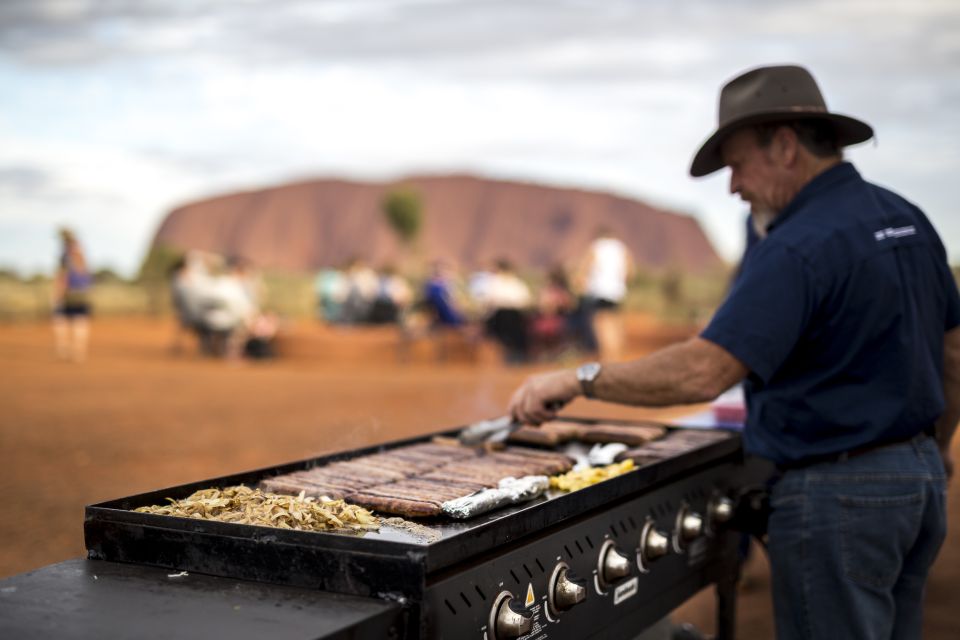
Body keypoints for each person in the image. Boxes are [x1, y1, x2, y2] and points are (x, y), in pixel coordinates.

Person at [507, 65, 960, 639]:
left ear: (786, 147)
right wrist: (931, 450)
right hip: (915, 485)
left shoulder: (799, 244)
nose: (733, 186)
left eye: (738, 164)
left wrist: (579, 379)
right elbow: (953, 353)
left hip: (838, 495)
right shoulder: (907, 218)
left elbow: (705, 370)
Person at [576, 227, 634, 361]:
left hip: (600, 291)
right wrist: (622, 283)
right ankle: (617, 355)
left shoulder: (596, 247)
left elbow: (585, 267)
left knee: (601, 323)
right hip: (617, 292)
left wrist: (580, 282)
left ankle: (608, 357)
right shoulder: (621, 248)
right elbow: (630, 269)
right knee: (614, 321)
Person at [52, 228, 93, 362]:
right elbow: (87, 276)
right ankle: (79, 352)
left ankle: (63, 349)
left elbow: (62, 277)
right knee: (80, 322)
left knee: (60, 321)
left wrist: (58, 295)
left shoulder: (65, 256)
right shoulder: (82, 255)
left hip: (68, 294)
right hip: (82, 294)